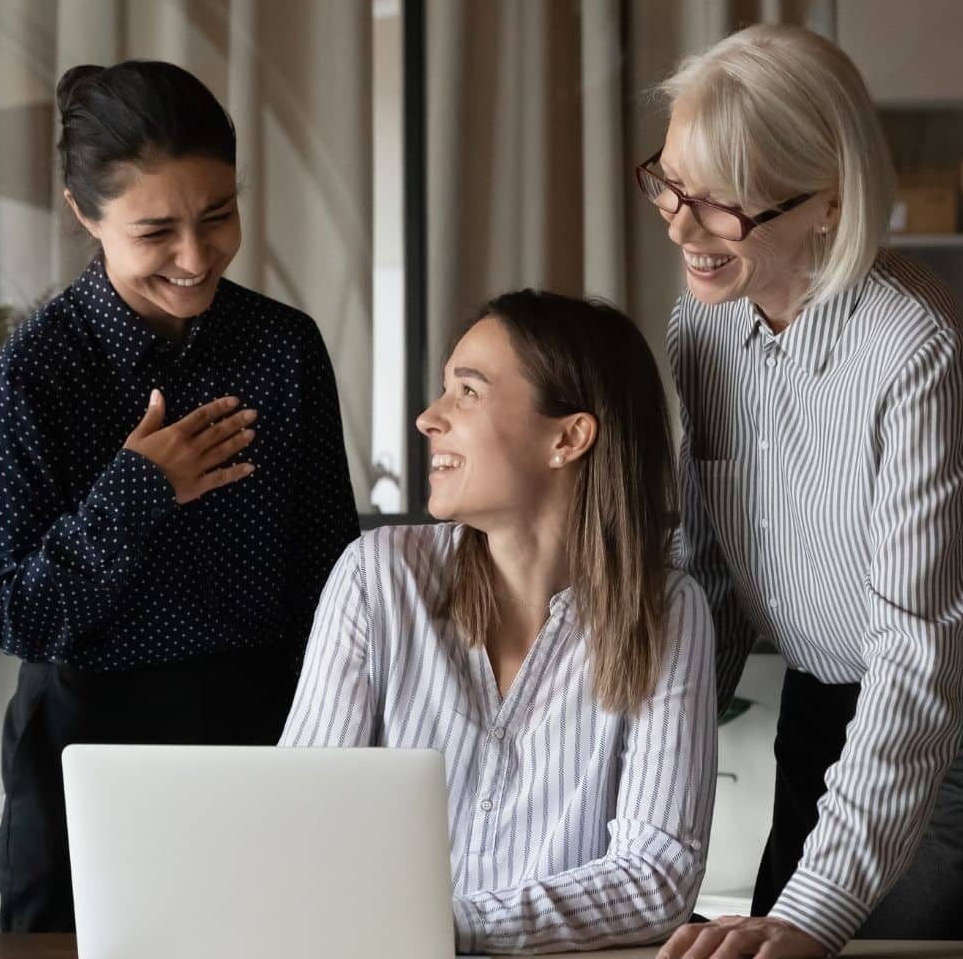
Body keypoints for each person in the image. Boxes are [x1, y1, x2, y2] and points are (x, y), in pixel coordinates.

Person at [643, 24, 963, 959]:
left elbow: (918, 657)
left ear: (828, 206)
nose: (680, 226)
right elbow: (713, 574)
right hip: (827, 688)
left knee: (860, 946)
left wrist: (814, 912)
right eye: (671, 184)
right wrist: (653, 782)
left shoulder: (916, 344)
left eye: (722, 206)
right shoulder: (702, 326)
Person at [0, 59, 359, 932]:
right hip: (86, 743)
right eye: (156, 232)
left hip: (267, 734)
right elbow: (13, 616)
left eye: (218, 217)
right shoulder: (34, 375)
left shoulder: (282, 347)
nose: (195, 257)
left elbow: (332, 573)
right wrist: (138, 491)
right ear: (85, 216)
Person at [282, 290, 716, 955]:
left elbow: (657, 875)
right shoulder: (378, 577)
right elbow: (299, 822)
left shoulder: (667, 611)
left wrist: (443, 927)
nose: (429, 418)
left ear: (567, 438)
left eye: (468, 391)